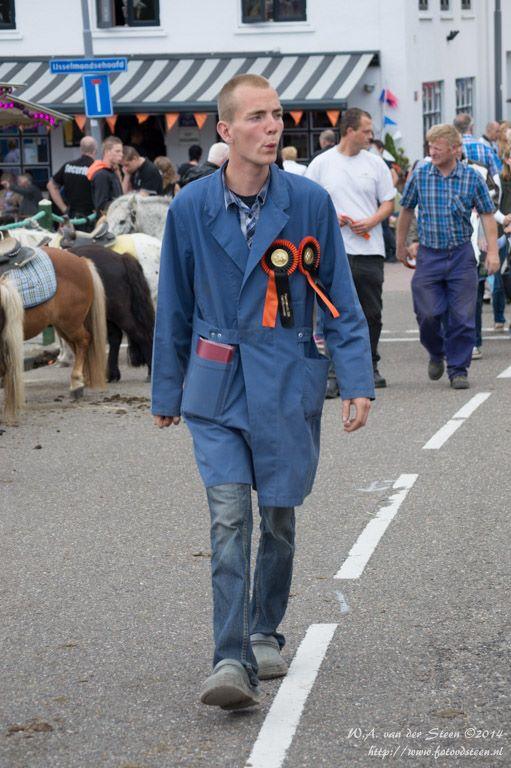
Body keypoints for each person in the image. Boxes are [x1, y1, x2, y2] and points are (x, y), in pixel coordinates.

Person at [151, 73, 373, 711]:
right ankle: (229, 658)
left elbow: (340, 298)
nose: (272, 126)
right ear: (225, 131)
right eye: (256, 117)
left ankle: (264, 629)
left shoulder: (307, 203)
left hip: (287, 381)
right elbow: (175, 306)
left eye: (277, 115)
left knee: (277, 516)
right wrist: (168, 390)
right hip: (216, 385)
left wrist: (355, 378)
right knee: (228, 519)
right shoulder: (192, 207)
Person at [396, 123, 499, 389]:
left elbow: (487, 215)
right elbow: (406, 210)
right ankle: (436, 351)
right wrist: (401, 244)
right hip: (429, 256)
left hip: (461, 255)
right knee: (428, 314)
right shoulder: (420, 175)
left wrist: (493, 252)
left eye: (437, 148)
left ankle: (458, 369)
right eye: (430, 147)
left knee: (463, 316)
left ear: (455, 149)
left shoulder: (472, 177)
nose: (432, 152)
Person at [306, 107, 396, 390]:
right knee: (333, 312)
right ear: (349, 131)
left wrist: (371, 221)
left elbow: (388, 202)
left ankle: (370, 365)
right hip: (334, 250)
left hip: (370, 251)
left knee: (371, 312)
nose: (371, 136)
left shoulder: (376, 164)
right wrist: (332, 218)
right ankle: (333, 373)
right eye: (367, 131)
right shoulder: (322, 164)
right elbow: (308, 203)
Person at [47, 136, 97, 220]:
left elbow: (50, 185)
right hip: (90, 217)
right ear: (95, 151)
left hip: (71, 215)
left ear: (81, 149)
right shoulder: (96, 168)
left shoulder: (68, 166)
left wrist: (64, 209)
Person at [86, 136, 123, 216]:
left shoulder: (111, 172)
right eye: (117, 151)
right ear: (107, 152)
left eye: (121, 151)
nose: (121, 154)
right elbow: (102, 205)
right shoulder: (101, 174)